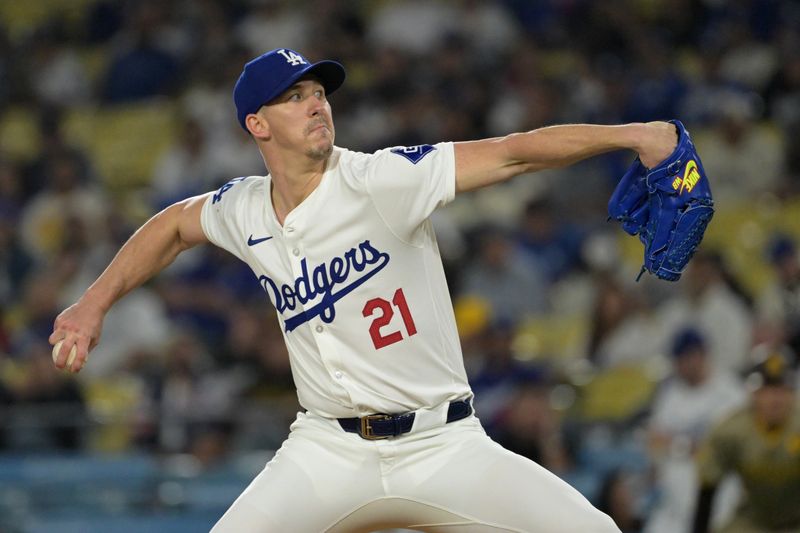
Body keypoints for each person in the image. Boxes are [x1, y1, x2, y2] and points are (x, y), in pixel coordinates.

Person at [50, 48, 679, 532]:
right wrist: (92, 303)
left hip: (443, 443)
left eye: (319, 92)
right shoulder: (244, 208)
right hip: (327, 450)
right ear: (257, 124)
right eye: (295, 97)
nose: (317, 103)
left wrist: (633, 135)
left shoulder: (381, 179)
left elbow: (513, 154)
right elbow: (174, 225)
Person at [692, 347, 800, 533]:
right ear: (754, 394)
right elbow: (708, 486)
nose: (775, 399)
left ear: (792, 393)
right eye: (767, 390)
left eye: (781, 389)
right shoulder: (732, 431)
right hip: (753, 521)